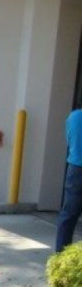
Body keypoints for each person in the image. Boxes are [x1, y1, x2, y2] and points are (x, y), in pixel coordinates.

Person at [56, 106, 82, 252]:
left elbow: (69, 140)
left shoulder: (73, 117)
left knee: (68, 215)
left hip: (75, 167)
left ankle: (60, 255)